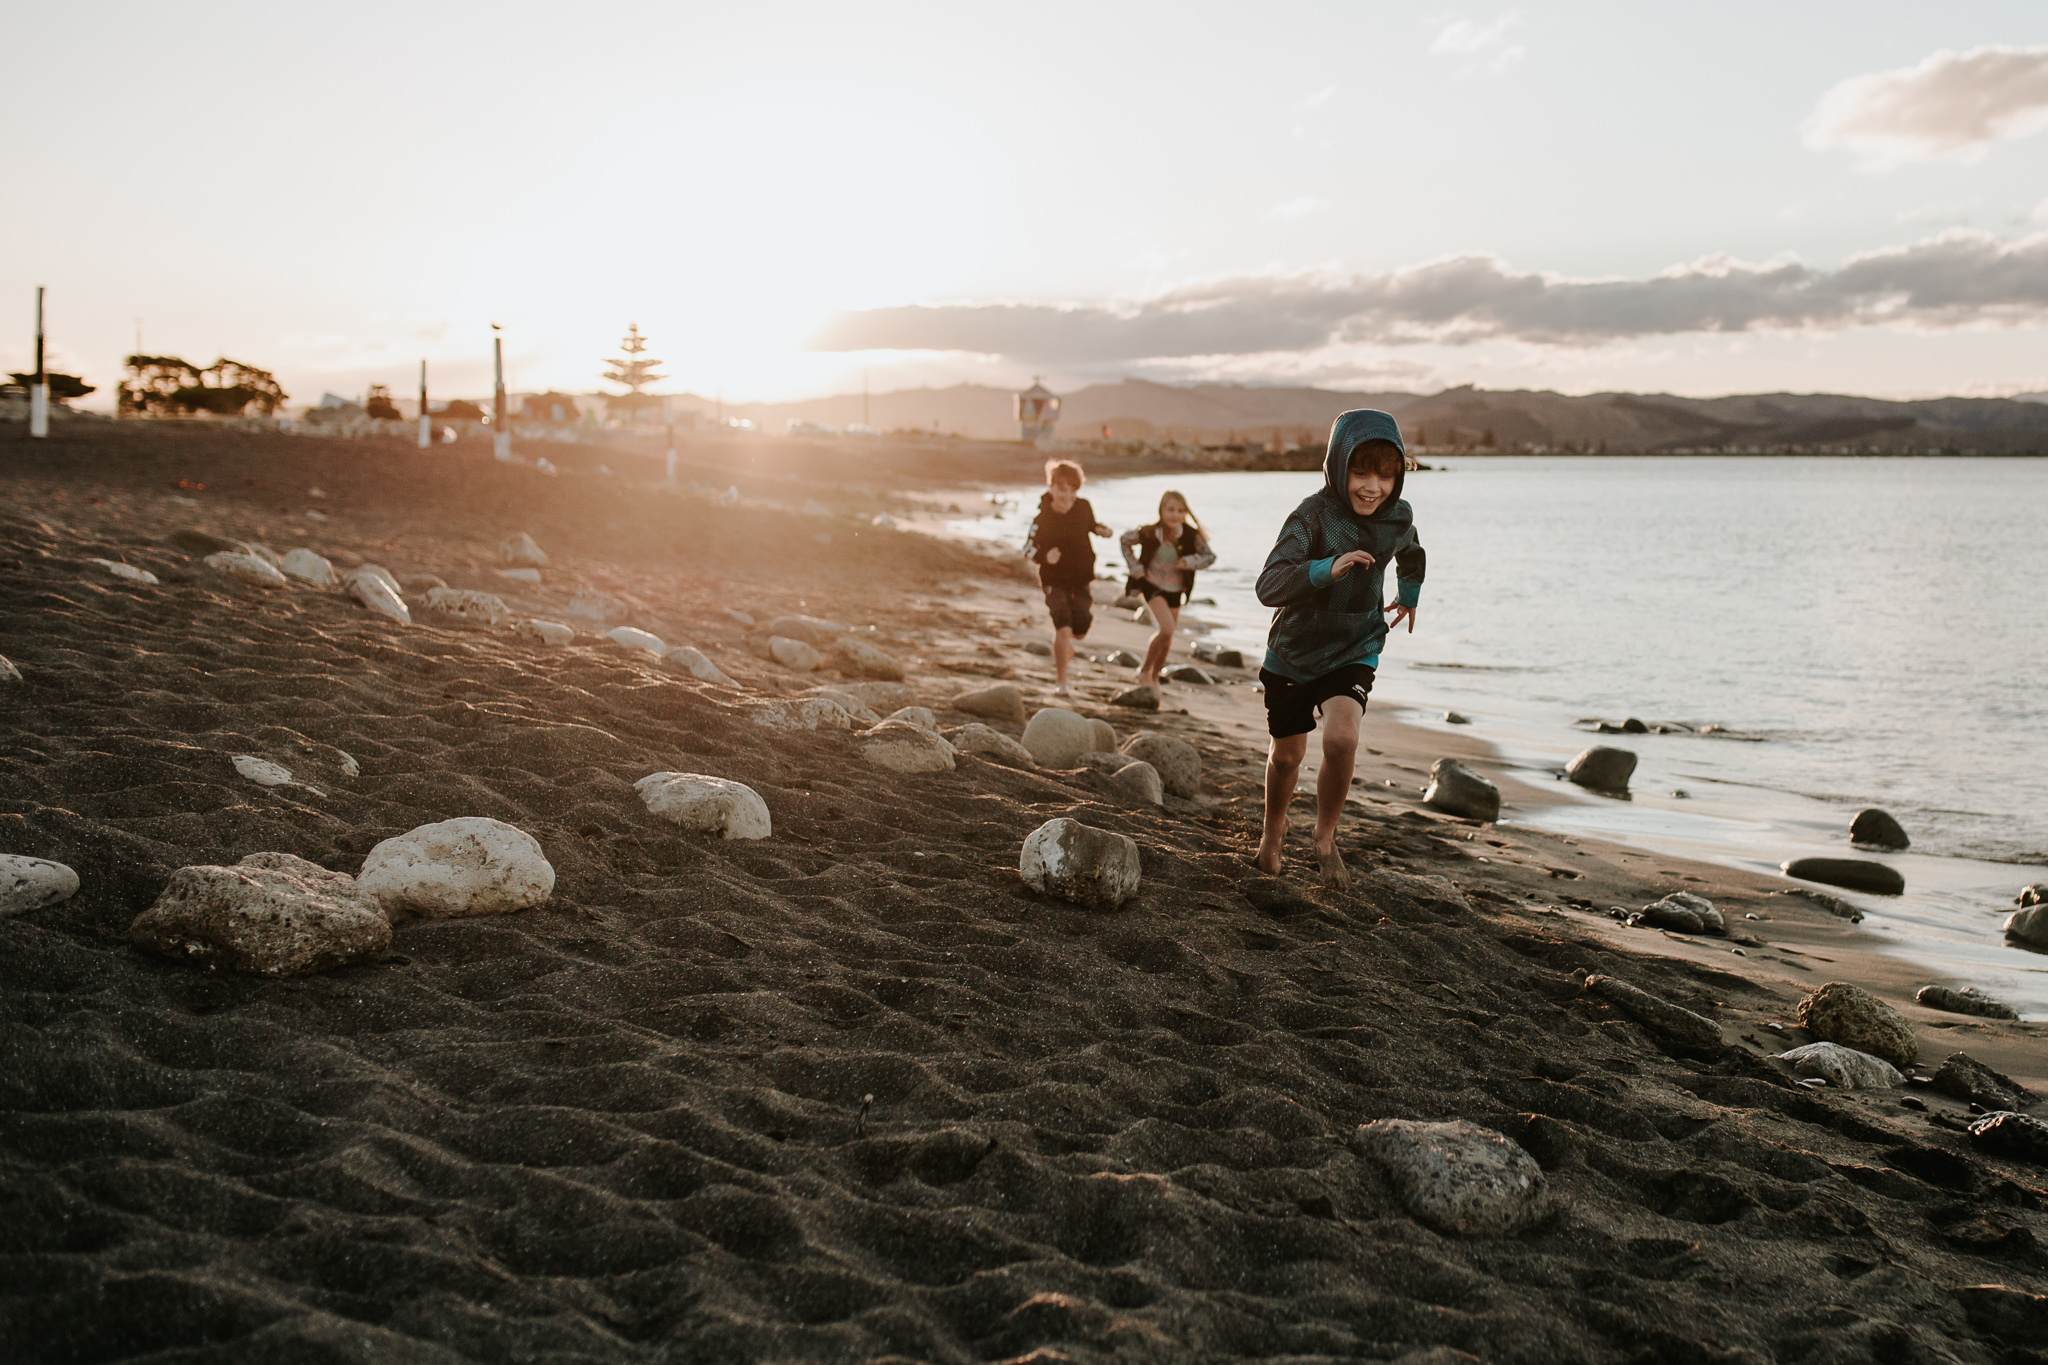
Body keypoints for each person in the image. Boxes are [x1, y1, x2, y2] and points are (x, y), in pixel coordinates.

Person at [1253, 409, 1425, 888]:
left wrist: (1408, 595)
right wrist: (1325, 569)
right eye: (1360, 471)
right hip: (1295, 648)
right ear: (1337, 464)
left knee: (1342, 738)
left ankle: (1325, 838)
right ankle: (1273, 834)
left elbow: (1411, 551)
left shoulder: (1397, 517)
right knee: (1286, 756)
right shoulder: (1311, 515)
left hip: (1357, 643)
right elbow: (1268, 585)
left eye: (1386, 475)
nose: (1373, 486)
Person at [1024, 459, 1111, 697]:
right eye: (1062, 489)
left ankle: (1067, 646)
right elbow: (1027, 548)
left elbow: (1090, 525)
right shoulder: (1041, 520)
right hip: (1054, 580)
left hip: (1081, 578)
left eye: (1073, 489)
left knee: (1079, 630)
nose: (1068, 495)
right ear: (1051, 487)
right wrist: (1045, 555)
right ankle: (1062, 681)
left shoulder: (1083, 507)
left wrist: (1101, 530)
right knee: (1062, 626)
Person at [1119, 489, 1215, 688]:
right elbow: (1124, 541)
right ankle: (1144, 671)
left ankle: (1155, 676)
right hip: (1152, 585)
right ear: (1161, 510)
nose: (1175, 514)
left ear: (1185, 513)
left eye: (1180, 511)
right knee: (1167, 629)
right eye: (1170, 509)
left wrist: (1189, 562)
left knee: (1168, 638)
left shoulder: (1190, 534)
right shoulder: (1149, 532)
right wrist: (1135, 566)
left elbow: (1209, 557)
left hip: (1176, 590)